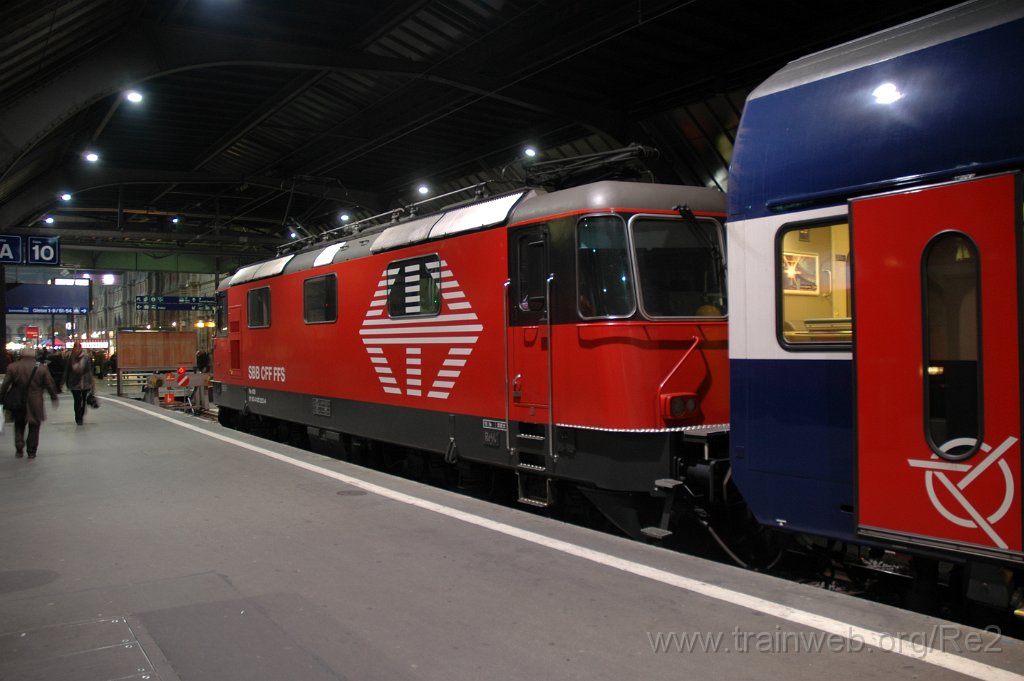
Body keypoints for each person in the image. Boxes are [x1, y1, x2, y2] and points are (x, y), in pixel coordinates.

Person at [1, 347, 59, 458]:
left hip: (17, 399)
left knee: (19, 423)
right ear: (34, 355)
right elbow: (49, 383)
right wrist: (53, 396)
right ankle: (31, 450)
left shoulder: (13, 367)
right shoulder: (41, 367)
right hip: (35, 400)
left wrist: (2, 396)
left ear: (21, 355)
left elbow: (5, 385)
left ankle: (19, 445)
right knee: (34, 425)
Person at [65, 342, 95, 426]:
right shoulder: (70, 358)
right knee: (77, 400)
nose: (77, 350)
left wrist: (92, 383)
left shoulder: (86, 358)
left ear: (81, 349)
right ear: (73, 349)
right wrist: (64, 382)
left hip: (85, 382)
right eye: (76, 348)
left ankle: (81, 414)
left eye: (79, 348)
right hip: (74, 383)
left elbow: (89, 371)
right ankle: (78, 417)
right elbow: (67, 371)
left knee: (84, 400)